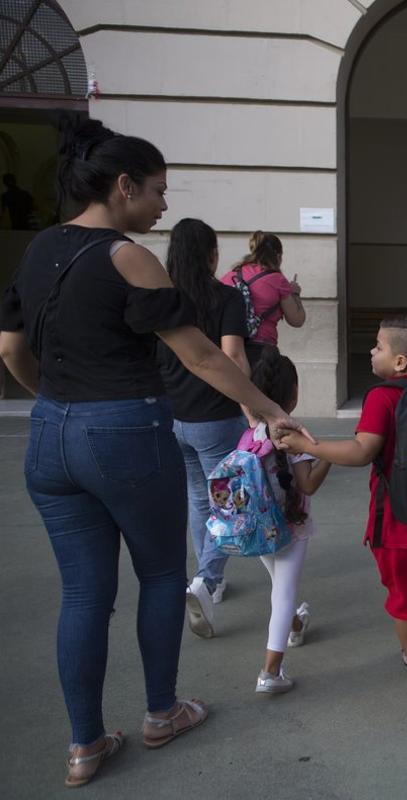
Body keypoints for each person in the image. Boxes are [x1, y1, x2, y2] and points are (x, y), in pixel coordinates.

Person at [0, 118, 306, 787]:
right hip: (125, 433)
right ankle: (162, 713)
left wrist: (58, 401)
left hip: (49, 434)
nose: (165, 206)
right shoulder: (126, 256)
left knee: (82, 596)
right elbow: (197, 354)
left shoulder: (39, 248)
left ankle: (85, 745)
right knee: (164, 576)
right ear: (123, 185)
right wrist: (270, 409)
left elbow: (10, 350)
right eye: (159, 192)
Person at [278, 318, 407, 724]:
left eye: (378, 347)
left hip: (397, 522)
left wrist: (305, 445)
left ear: (399, 362)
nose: (371, 351)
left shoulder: (380, 397)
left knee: (404, 596)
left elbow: (362, 451)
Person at [156, 218, 249, 636]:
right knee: (226, 502)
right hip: (216, 416)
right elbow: (232, 356)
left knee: (199, 498)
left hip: (172, 416)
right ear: (211, 254)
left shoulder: (159, 298)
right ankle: (206, 580)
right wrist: (252, 404)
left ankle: (210, 578)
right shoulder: (225, 297)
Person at [247, 348, 331, 694]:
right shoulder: (296, 438)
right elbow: (308, 484)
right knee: (283, 593)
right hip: (291, 524)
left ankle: (296, 624)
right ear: (293, 394)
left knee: (280, 587)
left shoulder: (254, 432)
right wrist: (327, 457)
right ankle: (270, 672)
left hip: (257, 523)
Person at [219, 231, 305, 366]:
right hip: (263, 350)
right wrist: (295, 293)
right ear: (278, 256)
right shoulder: (278, 280)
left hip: (230, 348)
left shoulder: (230, 276)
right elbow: (297, 320)